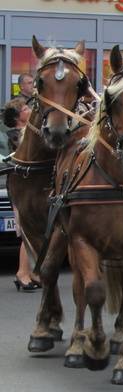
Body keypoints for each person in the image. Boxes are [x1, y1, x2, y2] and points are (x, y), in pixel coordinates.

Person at [2, 98, 39, 291]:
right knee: (27, 231)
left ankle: (32, 272)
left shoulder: (27, 132)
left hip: (29, 186)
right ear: (18, 117)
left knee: (33, 231)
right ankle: (22, 273)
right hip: (20, 188)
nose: (30, 109)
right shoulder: (16, 135)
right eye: (25, 108)